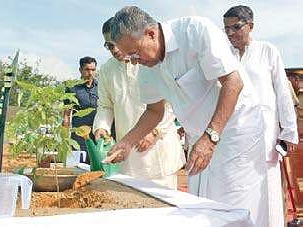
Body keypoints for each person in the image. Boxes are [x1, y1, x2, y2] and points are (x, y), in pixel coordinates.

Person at [106, 6, 268, 226]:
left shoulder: (195, 31)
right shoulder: (147, 67)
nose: (134, 61)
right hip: (200, 138)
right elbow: (154, 111)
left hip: (234, 131)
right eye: (129, 56)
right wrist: (127, 142)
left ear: (151, 33)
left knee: (234, 207)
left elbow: (233, 82)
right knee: (203, 207)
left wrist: (211, 137)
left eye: (135, 53)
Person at [223, 5, 298, 227]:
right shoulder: (225, 55)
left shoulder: (268, 50)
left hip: (265, 134)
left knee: (268, 190)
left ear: (251, 26)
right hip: (235, 135)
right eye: (226, 29)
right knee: (237, 190)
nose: (230, 34)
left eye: (236, 27)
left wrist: (289, 131)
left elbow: (282, 93)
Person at [93, 18, 185, 189]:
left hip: (159, 150)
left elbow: (171, 100)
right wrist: (102, 128)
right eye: (109, 46)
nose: (114, 49)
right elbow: (105, 105)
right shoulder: (107, 70)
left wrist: (155, 131)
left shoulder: (149, 60)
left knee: (163, 209)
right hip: (127, 154)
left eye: (116, 43)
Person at [63, 56, 98, 163]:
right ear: (80, 70)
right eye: (87, 69)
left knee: (97, 164)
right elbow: (66, 115)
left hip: (97, 133)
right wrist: (64, 138)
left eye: (93, 70)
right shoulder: (72, 88)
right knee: (79, 165)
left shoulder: (101, 87)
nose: (90, 73)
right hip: (79, 135)